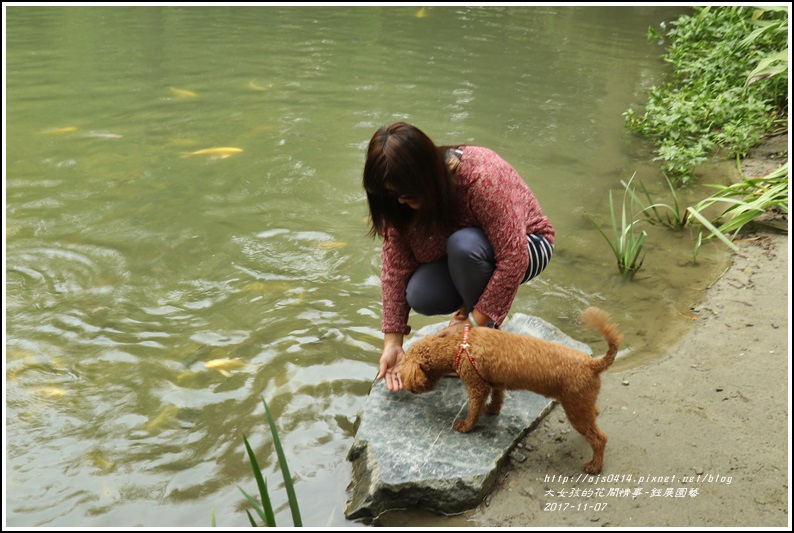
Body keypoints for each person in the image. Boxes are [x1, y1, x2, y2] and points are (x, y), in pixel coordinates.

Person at [363, 122, 555, 392]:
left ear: (426, 174)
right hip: (464, 257)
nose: (399, 203)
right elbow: (395, 271)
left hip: (529, 245)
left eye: (405, 194)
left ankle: (482, 339)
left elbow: (514, 258)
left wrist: (472, 324)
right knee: (420, 292)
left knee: (464, 245)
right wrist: (393, 344)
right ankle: (471, 310)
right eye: (389, 196)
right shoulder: (397, 204)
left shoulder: (481, 177)